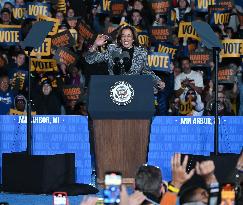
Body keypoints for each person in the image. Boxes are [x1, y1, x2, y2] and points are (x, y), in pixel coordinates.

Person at [85, 25, 164, 91]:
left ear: (133, 38)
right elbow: (90, 59)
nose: (126, 38)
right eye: (123, 36)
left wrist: (158, 81)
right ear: (120, 38)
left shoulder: (141, 53)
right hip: (114, 90)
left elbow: (147, 72)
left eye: (129, 35)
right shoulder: (112, 50)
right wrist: (95, 45)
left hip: (134, 91)